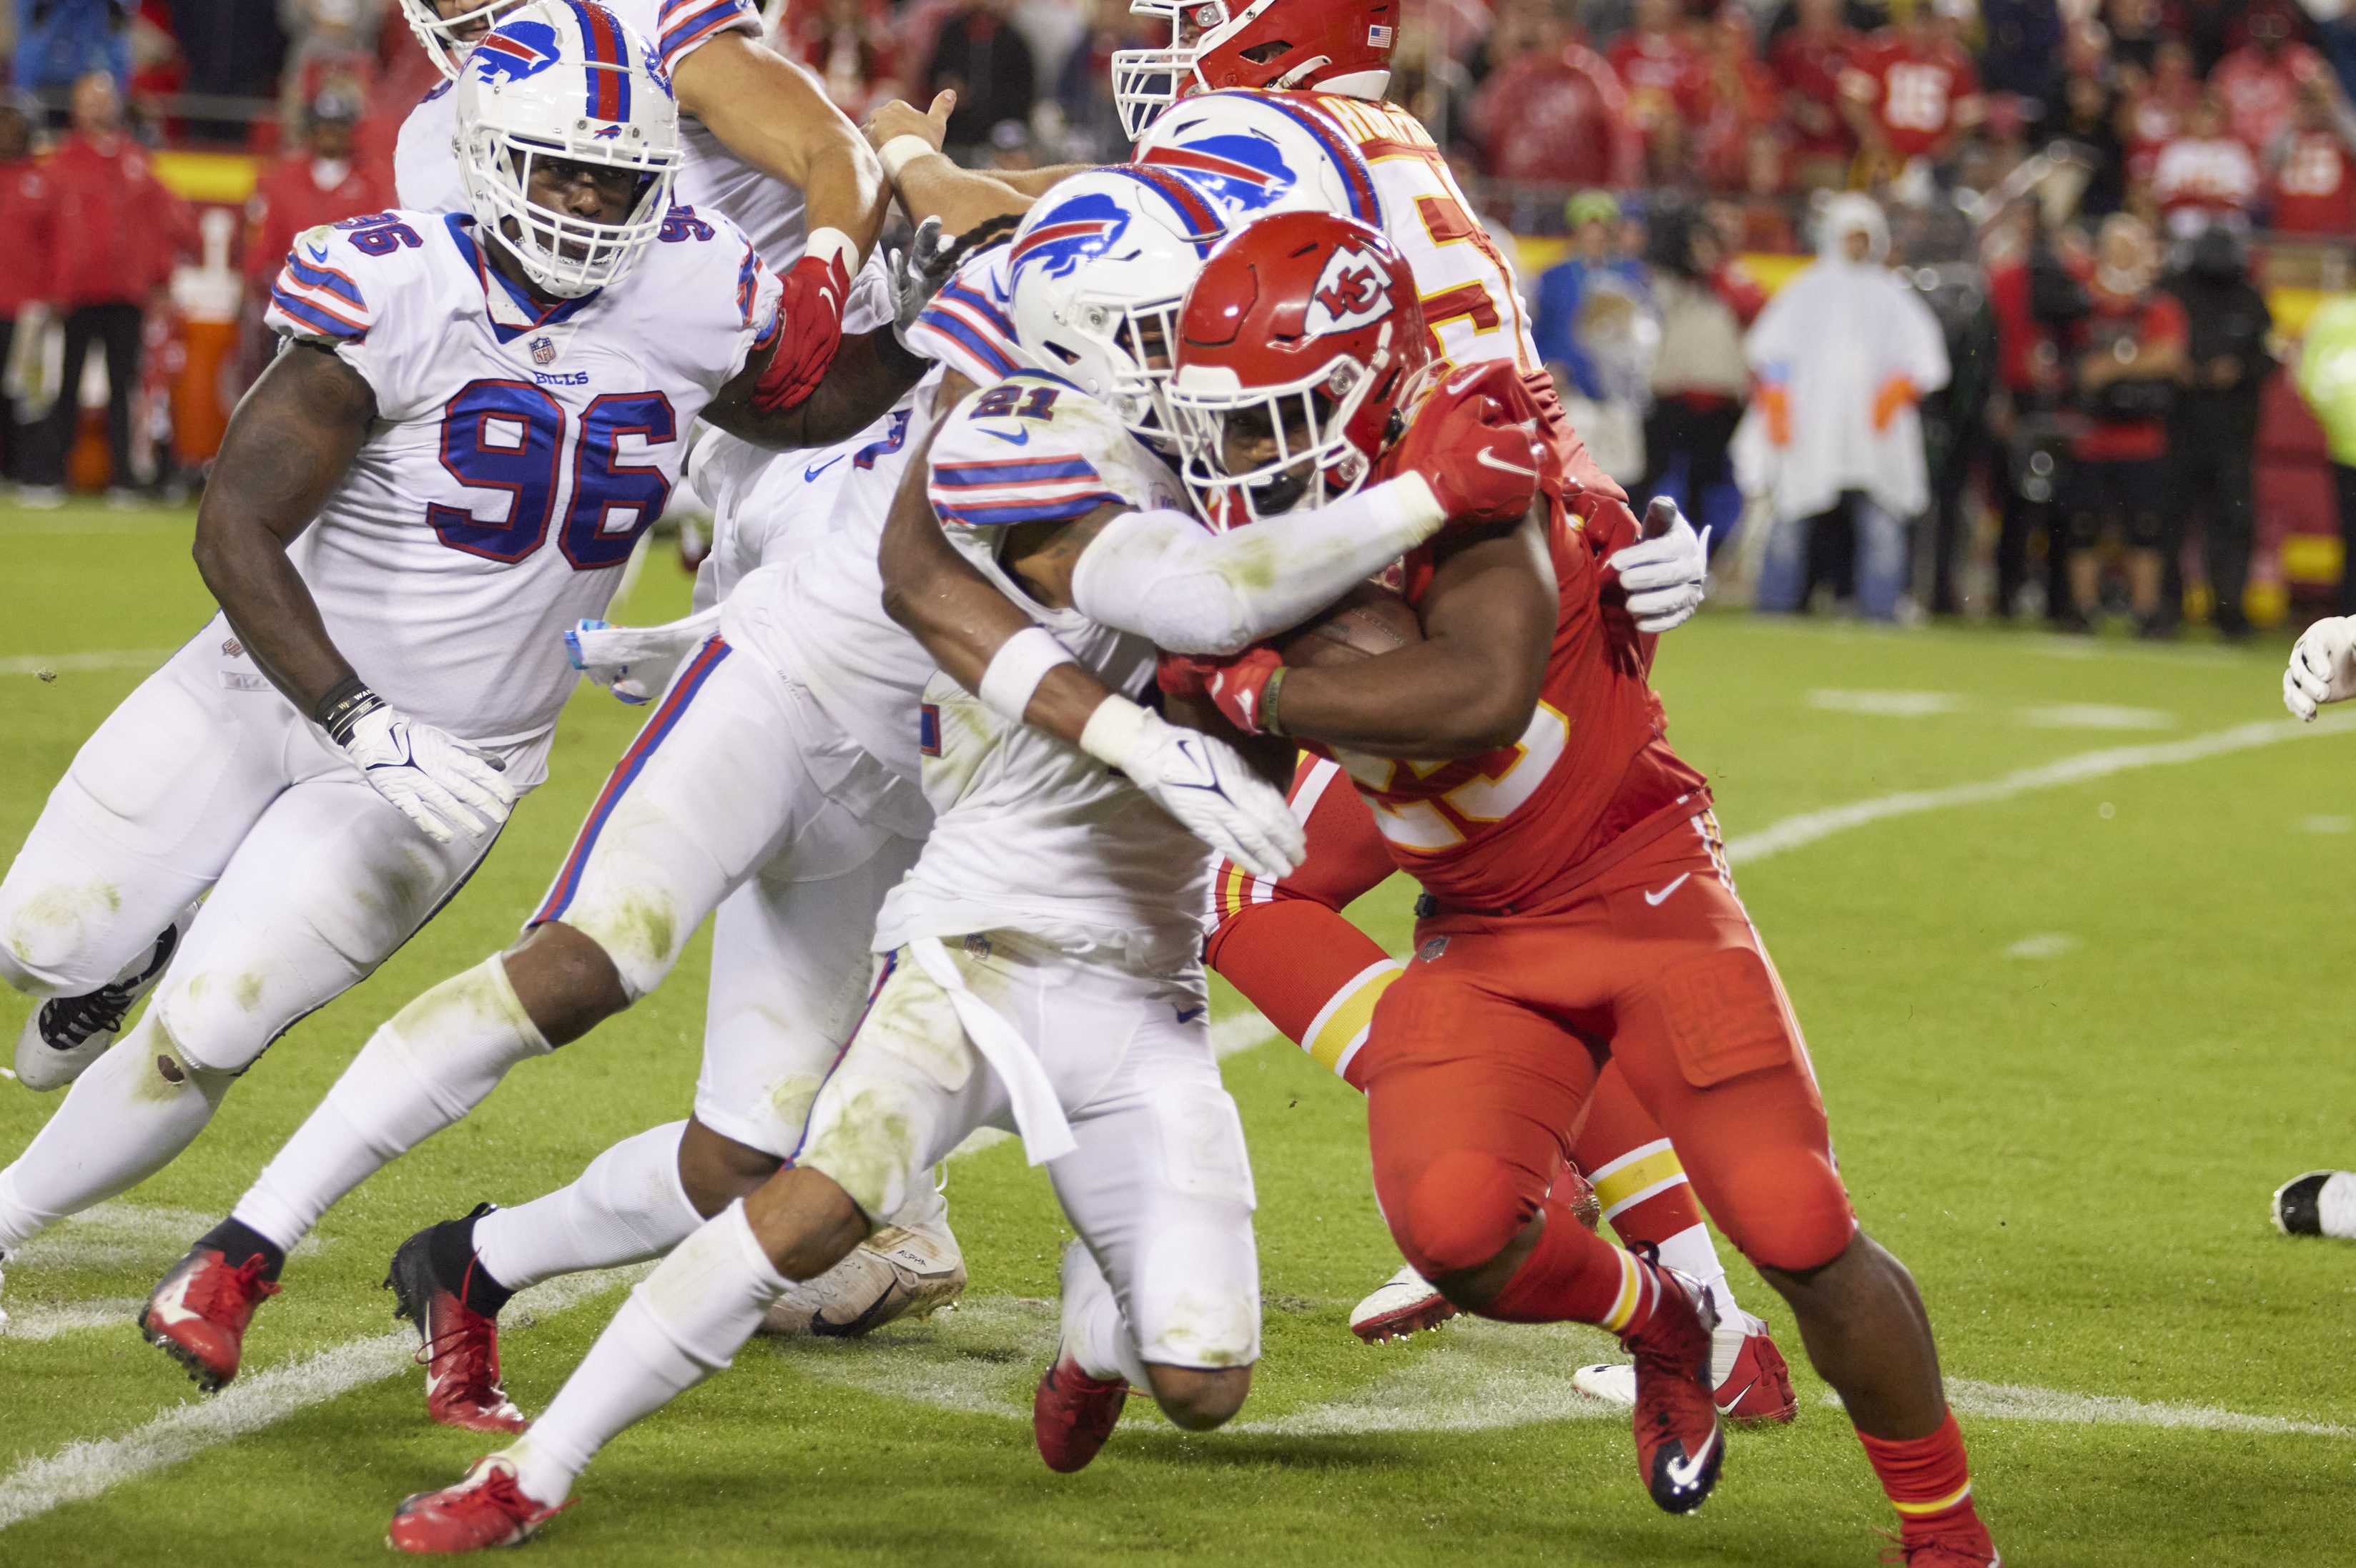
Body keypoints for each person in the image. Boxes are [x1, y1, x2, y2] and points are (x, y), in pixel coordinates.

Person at [373, 192, 1395, 1554]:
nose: (1212, 386)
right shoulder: (1039, 442)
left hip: (1145, 986)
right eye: (1176, 347)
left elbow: (1399, 643)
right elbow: (1175, 596)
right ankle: (534, 1470)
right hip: (971, 938)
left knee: (1203, 1380)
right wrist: (1414, 515)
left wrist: (1595, 555)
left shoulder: (1292, 490)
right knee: (800, 1192)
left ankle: (1095, 1340)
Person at [865, 44, 1791, 1414]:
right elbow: (1506, 379)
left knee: (1253, 899)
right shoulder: (1369, 155)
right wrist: (1612, 517)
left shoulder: (1279, 162)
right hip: (1471, 577)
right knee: (1325, 915)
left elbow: (1062, 216)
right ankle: (1606, 1244)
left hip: (1423, 618)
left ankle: (1638, 1268)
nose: (1160, 50)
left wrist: (905, 159)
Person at [0, 1, 884, 1340]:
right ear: (483, 157)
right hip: (265, 687)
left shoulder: (695, 283)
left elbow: (803, 403)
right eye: (560, 173)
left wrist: (953, 305)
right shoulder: (394, 275)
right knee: (43, 936)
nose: (588, 206)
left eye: (620, 179)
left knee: (216, 1024)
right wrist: (357, 718)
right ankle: (129, 939)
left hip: (448, 762)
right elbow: (235, 523)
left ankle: (7, 1212)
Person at [1158, 213, 1998, 1565]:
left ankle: (1949, 1534)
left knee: (1797, 1218)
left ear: (1365, 380)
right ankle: (1667, 1317)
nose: (1243, 451)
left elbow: (1476, 692)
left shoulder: (1467, 452)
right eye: (1230, 420)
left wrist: (1251, 678)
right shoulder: (1242, 500)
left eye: (1273, 415)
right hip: (1481, 926)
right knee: (1457, 1233)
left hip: (1636, 875)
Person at [393, 0, 888, 417]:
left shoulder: (637, 22)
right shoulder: (428, 146)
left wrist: (821, 282)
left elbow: (838, 151)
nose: (463, 6)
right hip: (695, 412)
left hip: (847, 360)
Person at [1738, 194, 1950, 622]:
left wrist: (1897, 392)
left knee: (1881, 521)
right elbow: (1769, 352)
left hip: (1875, 431)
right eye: (1851, 237)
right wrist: (1776, 403)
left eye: (1864, 237)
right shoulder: (1806, 290)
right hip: (1811, 425)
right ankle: (1775, 604)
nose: (1857, 246)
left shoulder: (1893, 295)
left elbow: (1925, 358)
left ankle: (1881, 607)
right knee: (1792, 512)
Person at [20, 69, 181, 506]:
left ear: (115, 104)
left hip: (125, 293)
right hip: (72, 294)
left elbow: (160, 226)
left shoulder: (136, 161)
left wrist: (160, 277)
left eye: (103, 99)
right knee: (63, 386)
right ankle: (52, 473)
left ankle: (124, 478)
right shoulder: (59, 163)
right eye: (89, 99)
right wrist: (46, 286)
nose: (97, 107)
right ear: (76, 108)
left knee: (122, 388)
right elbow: (41, 233)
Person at [2059, 212, 2185, 633]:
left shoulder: (2156, 304)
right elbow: (2071, 363)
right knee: (2084, 527)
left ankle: (2146, 609)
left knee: (2145, 529)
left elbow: (2167, 356)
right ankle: (2084, 608)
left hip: (2141, 437)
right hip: (2090, 436)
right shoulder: (2082, 299)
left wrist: (2112, 366)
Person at [2161, 223, 2272, 637]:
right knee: (2169, 521)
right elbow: (2153, 337)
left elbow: (2269, 355)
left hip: (2232, 434)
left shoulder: (2249, 297)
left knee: (2232, 523)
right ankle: (2167, 608)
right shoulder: (2173, 292)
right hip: (2179, 427)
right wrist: (2176, 368)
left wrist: (2239, 370)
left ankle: (2229, 612)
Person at [242, 83, 391, 299]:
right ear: (312, 129)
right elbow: (262, 248)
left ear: (351, 130)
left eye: (338, 125)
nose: (330, 133)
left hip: (351, 300)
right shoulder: (282, 179)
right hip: (291, 296)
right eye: (324, 125)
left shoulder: (372, 183)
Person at [1839, 0, 1982, 185]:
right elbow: (1851, 100)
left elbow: (1968, 115)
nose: (1921, 29)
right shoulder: (1881, 49)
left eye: (1928, 22)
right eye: (1919, 21)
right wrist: (1875, 139)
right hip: (1883, 157)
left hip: (1932, 164)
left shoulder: (1955, 60)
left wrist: (1948, 146)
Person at [0, 94, 51, 487]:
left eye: (13, 124)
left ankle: (25, 470)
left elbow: (59, 243)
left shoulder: (44, 179)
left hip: (27, 305)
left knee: (25, 395)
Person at [2295, 290, 2356, 617]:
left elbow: (2311, 379)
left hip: (2347, 448)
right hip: (2348, 450)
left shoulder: (2332, 314)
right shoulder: (2335, 315)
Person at [925, 0, 1036, 153]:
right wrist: (948, 84)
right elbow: (934, 73)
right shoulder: (951, 33)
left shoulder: (1013, 39)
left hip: (1002, 127)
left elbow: (1025, 89)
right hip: (957, 128)